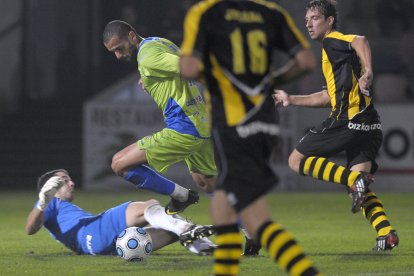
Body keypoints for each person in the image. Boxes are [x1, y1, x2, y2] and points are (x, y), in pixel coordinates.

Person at [180, 1, 321, 275]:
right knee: (232, 209)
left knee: (242, 214)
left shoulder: (206, 12)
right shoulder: (272, 12)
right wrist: (274, 78)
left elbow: (187, 68)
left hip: (233, 123)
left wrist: (217, 78)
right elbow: (306, 61)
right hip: (266, 122)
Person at [272, 0, 399, 251]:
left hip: (348, 121)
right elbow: (330, 97)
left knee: (295, 161)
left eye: (315, 18)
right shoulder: (335, 53)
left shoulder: (333, 41)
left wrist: (370, 72)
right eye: (307, 19)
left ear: (329, 21)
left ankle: (352, 179)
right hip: (371, 125)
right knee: (357, 192)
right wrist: (292, 99)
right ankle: (386, 234)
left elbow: (361, 40)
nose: (308, 23)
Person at [102, 20, 217, 214]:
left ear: (131, 36)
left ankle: (182, 196)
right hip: (201, 124)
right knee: (207, 184)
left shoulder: (147, 57)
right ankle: (251, 230)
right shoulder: (159, 42)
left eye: (119, 48)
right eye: (113, 51)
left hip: (184, 127)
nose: (118, 56)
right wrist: (148, 78)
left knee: (118, 163)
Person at [25, 169, 216, 256]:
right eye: (64, 180)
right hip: (93, 231)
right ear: (50, 187)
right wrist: (43, 200)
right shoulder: (49, 202)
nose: (71, 183)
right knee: (148, 205)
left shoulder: (54, 206)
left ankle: (202, 246)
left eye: (69, 179)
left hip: (99, 248)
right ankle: (187, 229)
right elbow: (30, 229)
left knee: (169, 227)